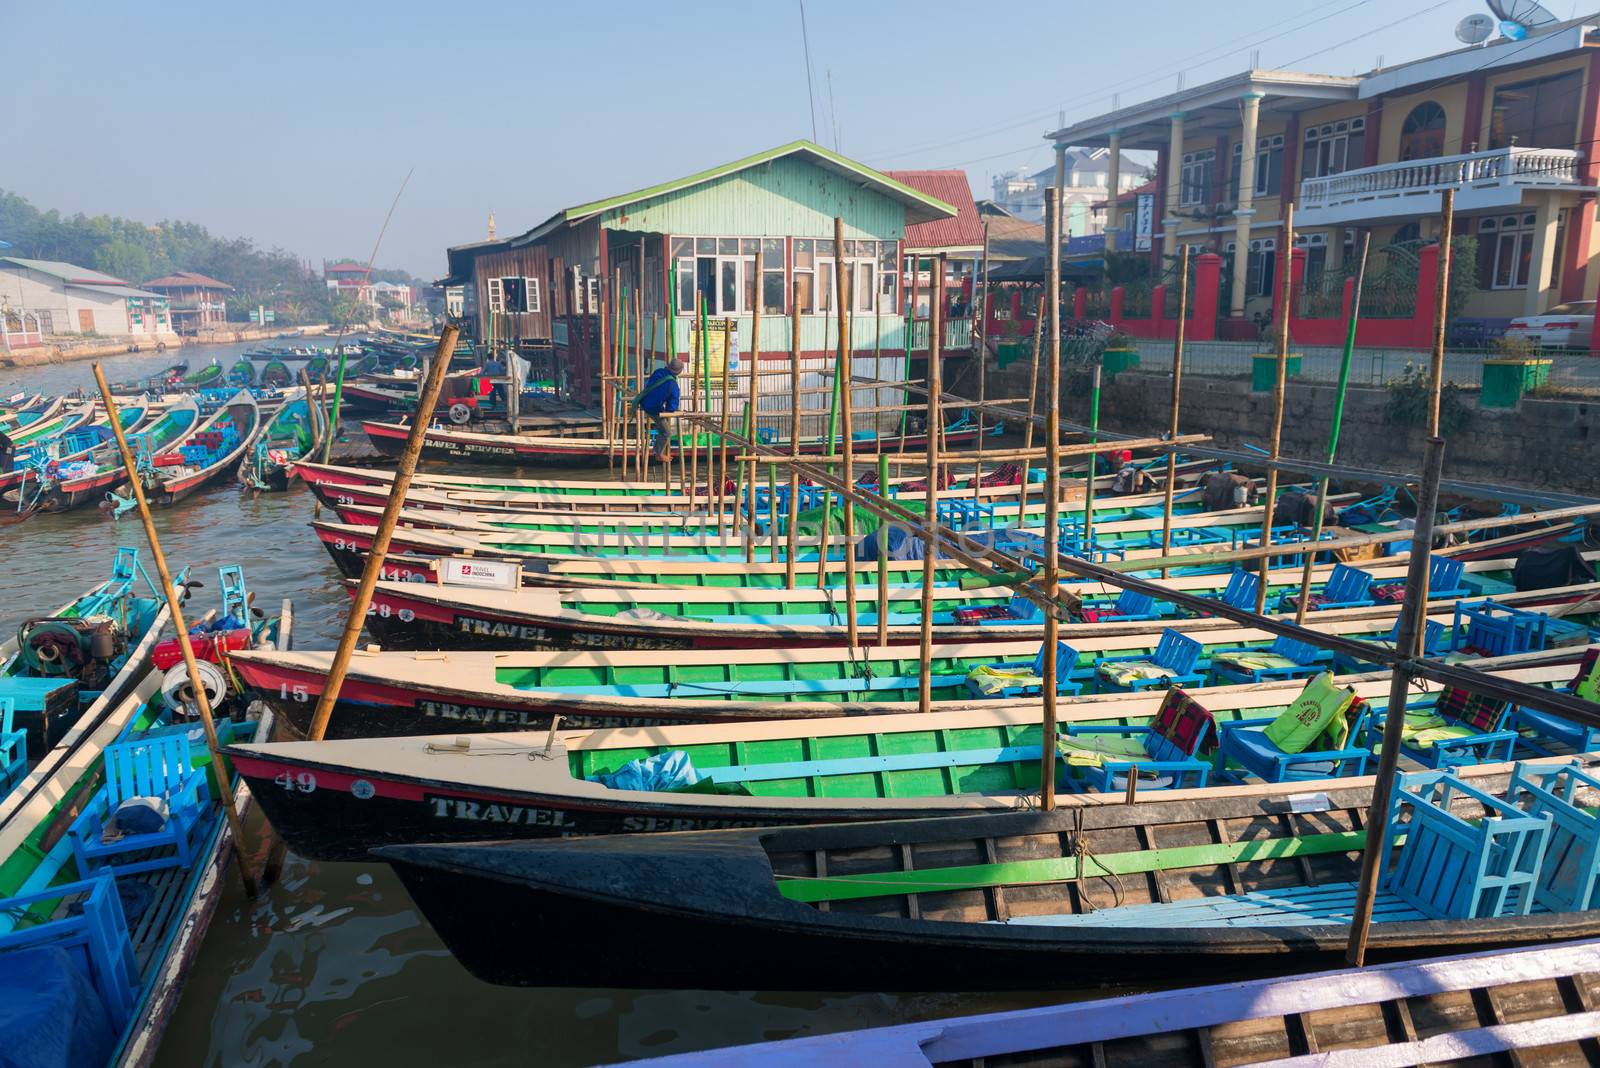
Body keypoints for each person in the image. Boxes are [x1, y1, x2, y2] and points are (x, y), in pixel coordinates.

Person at [634, 358, 684, 463]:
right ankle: (658, 453)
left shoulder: (658, 372)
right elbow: (672, 406)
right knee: (666, 432)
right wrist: (668, 411)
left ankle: (657, 450)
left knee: (662, 428)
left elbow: (650, 386)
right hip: (654, 409)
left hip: (643, 402)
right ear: (679, 372)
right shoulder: (673, 385)